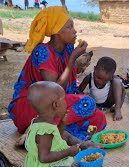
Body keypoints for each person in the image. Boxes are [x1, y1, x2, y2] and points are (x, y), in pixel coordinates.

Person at [7, 6, 107, 141]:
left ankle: (57, 133)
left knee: (99, 117)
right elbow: (54, 91)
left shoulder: (68, 48)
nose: (75, 31)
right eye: (69, 27)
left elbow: (63, 91)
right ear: (57, 32)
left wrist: (73, 57)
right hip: (33, 107)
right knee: (87, 103)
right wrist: (73, 59)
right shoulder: (43, 52)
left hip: (55, 105)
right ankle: (38, 130)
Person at [24, 81, 101, 167]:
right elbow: (44, 158)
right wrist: (68, 151)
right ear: (55, 105)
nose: (66, 103)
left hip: (46, 164)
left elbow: (57, 136)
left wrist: (62, 123)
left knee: (64, 134)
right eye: (63, 100)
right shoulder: (45, 130)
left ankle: (84, 145)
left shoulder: (41, 121)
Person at [78, 57, 125, 121]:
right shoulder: (89, 77)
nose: (100, 82)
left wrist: (118, 107)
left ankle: (117, 109)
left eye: (105, 80)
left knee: (117, 83)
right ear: (94, 69)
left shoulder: (112, 79)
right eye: (98, 78)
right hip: (93, 103)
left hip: (108, 102)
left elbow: (123, 92)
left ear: (111, 77)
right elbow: (79, 90)